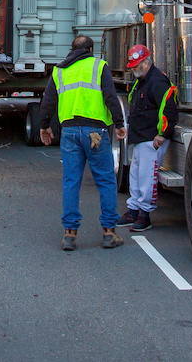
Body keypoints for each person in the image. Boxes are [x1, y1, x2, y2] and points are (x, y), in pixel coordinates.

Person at [39, 34, 126, 251]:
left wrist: (44, 126)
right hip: (95, 132)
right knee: (105, 181)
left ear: (72, 49)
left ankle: (69, 234)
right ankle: (109, 232)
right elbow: (110, 96)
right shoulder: (98, 66)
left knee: (71, 182)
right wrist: (119, 122)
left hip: (69, 132)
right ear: (90, 49)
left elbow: (48, 100)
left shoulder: (59, 70)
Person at [117, 44, 177, 233]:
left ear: (146, 62)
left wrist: (161, 134)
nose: (134, 68)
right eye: (133, 65)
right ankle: (134, 210)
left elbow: (168, 108)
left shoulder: (157, 81)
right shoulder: (143, 80)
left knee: (146, 176)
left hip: (151, 137)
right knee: (136, 174)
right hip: (141, 136)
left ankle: (144, 213)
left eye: (137, 64)